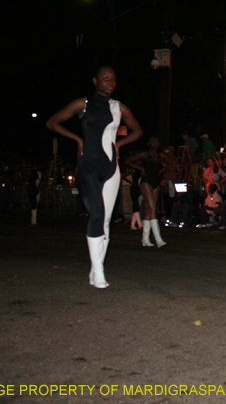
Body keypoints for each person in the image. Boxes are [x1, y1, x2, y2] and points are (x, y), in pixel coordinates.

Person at [46, 66, 143, 288]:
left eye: (113, 79)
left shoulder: (118, 107)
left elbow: (138, 131)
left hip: (111, 168)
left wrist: (118, 144)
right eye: (105, 78)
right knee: (97, 214)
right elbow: (52, 122)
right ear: (95, 81)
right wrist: (77, 140)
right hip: (88, 167)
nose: (110, 82)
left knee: (106, 219)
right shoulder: (84, 104)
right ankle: (98, 269)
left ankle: (95, 266)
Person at [126, 137, 172, 248]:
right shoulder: (144, 155)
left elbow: (170, 164)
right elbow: (128, 161)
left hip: (156, 181)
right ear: (148, 143)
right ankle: (158, 238)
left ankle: (145, 238)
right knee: (152, 208)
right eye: (153, 141)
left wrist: (161, 171)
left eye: (157, 141)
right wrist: (140, 168)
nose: (155, 142)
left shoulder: (160, 155)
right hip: (146, 181)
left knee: (149, 209)